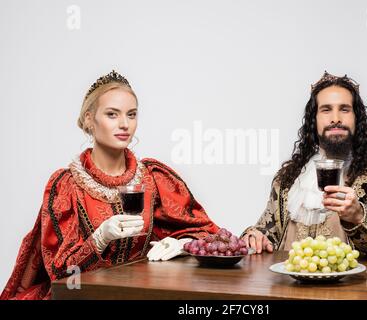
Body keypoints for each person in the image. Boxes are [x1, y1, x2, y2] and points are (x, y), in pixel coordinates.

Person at [1, 70, 219, 300]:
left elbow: (209, 232)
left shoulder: (154, 178)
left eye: (131, 114)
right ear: (89, 119)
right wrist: (99, 239)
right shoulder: (67, 186)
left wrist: (183, 245)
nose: (125, 124)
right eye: (112, 114)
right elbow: (61, 274)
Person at [241, 71, 367, 261]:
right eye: (326, 109)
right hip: (288, 287)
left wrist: (359, 215)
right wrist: (254, 236)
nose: (335, 118)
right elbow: (267, 233)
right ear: (314, 121)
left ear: (357, 118)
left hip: (354, 289)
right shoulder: (288, 179)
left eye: (344, 109)